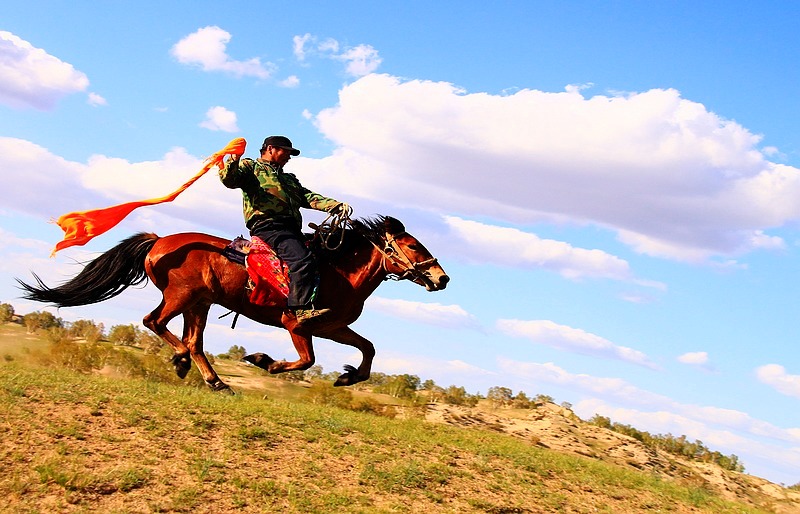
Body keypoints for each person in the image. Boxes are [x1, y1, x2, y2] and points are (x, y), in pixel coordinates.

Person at [219, 135, 350, 325]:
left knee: (322, 253)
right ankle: (299, 309)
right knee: (302, 260)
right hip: (268, 225)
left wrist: (334, 205)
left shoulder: (289, 179)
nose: (289, 157)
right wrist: (234, 158)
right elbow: (229, 180)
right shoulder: (251, 167)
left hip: (291, 229)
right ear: (270, 149)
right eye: (286, 152)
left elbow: (306, 196)